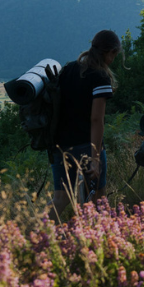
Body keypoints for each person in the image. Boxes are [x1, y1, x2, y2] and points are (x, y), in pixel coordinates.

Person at [49, 30, 121, 222]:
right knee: (97, 199)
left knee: (60, 198)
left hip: (60, 145)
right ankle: (95, 242)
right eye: (115, 55)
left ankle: (36, 239)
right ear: (111, 52)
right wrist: (95, 158)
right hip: (85, 145)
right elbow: (97, 120)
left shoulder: (69, 69)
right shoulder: (100, 77)